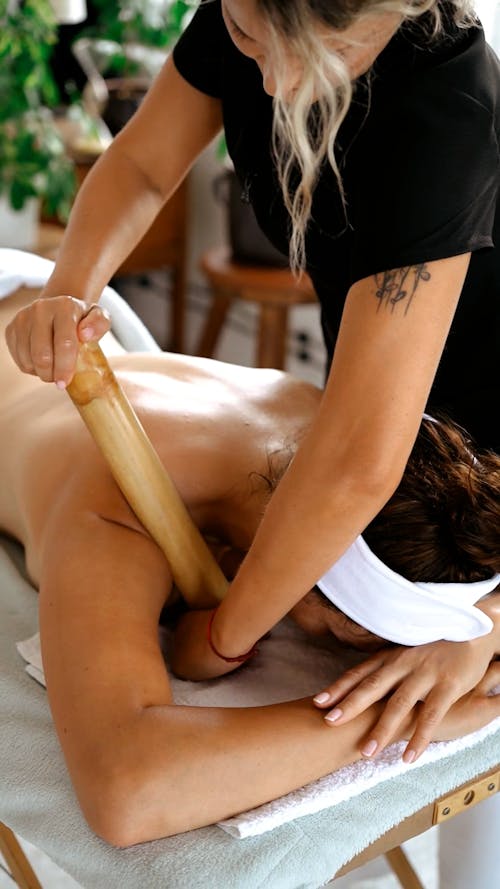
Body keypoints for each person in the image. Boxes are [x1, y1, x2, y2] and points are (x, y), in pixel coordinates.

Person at [5, 0, 500, 764]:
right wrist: (70, 289)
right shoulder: (258, 9)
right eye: (247, 39)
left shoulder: (443, 116)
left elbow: (359, 460)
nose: (274, 81)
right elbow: (140, 164)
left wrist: (483, 627)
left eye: (322, 56)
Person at [1, 272, 500, 844]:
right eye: (358, 638)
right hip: (31, 314)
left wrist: (479, 633)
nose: (395, 657)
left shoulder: (335, 435)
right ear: (302, 580)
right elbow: (127, 792)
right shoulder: (120, 509)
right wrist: (384, 721)